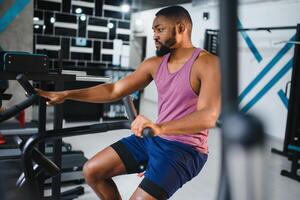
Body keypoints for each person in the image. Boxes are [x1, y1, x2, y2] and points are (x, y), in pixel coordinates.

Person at [37, 5, 221, 200]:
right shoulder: (154, 64)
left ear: (181, 28)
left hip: (185, 149)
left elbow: (208, 116)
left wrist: (159, 127)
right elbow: (114, 89)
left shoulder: (207, 63)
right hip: (154, 138)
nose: (155, 35)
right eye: (153, 31)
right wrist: (66, 94)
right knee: (92, 170)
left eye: (160, 29)